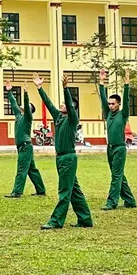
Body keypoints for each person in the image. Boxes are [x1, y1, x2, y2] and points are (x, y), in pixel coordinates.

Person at [34, 74, 92, 229]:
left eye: (65, 104)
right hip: (60, 158)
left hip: (68, 157)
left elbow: (69, 105)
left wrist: (66, 89)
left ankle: (56, 221)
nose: (61, 105)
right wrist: (39, 88)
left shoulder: (73, 119)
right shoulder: (59, 117)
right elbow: (48, 103)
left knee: (65, 190)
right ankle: (85, 219)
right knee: (74, 190)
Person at [99, 68, 137, 210]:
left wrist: (127, 84)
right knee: (118, 175)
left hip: (120, 148)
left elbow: (126, 100)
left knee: (116, 176)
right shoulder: (108, 114)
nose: (110, 105)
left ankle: (111, 202)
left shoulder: (123, 114)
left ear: (118, 104)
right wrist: (101, 82)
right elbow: (102, 98)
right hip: (110, 148)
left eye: (113, 103)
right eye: (109, 104)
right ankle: (130, 200)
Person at [4, 82, 45, 199]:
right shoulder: (18, 115)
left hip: (25, 146)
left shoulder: (28, 117)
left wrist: (26, 94)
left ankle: (17, 192)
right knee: (32, 169)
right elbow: (13, 103)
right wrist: (9, 91)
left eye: (27, 107)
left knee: (21, 169)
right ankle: (41, 190)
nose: (23, 106)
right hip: (24, 146)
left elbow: (26, 106)